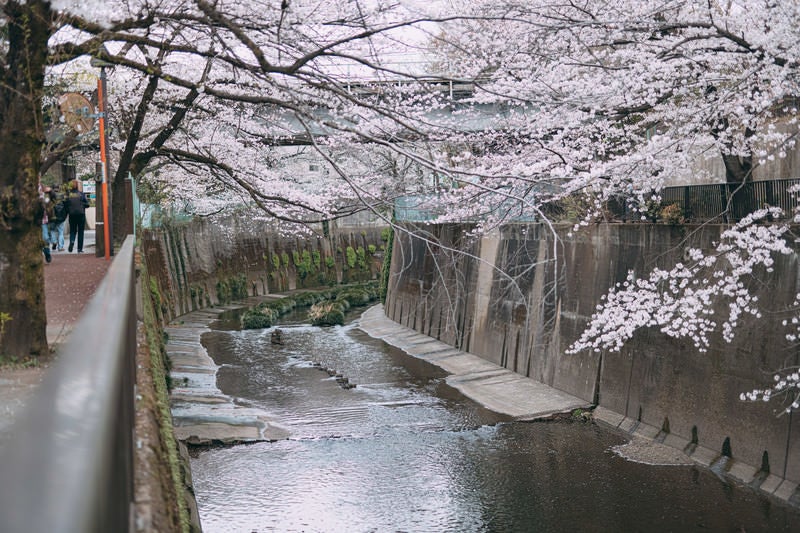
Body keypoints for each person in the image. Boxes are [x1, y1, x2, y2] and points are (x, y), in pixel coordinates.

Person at [65, 179, 89, 253]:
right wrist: (82, 205)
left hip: (72, 215)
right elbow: (87, 204)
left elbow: (65, 205)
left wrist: (68, 211)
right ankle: (79, 249)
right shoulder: (81, 194)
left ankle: (72, 241)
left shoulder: (68, 195)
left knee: (72, 230)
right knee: (81, 231)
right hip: (81, 214)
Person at [47, 187, 67, 251]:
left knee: (52, 230)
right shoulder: (62, 196)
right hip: (61, 217)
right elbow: (66, 206)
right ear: (59, 188)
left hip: (52, 217)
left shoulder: (50, 196)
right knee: (61, 232)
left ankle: (54, 241)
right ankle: (60, 247)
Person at [38, 184, 52, 263]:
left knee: (45, 238)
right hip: (32, 220)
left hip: (43, 219)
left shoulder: (43, 188)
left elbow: (51, 200)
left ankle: (47, 253)